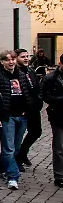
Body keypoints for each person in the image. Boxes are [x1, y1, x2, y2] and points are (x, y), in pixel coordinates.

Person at [0, 50, 34, 190]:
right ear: (1, 61)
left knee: (16, 147)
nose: (11, 62)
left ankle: (1, 167)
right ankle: (13, 176)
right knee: (9, 148)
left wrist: (28, 109)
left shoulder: (22, 75)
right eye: (7, 60)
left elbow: (28, 93)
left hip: (22, 115)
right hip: (7, 117)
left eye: (13, 59)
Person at [15, 48, 44, 169]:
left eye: (27, 56)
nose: (26, 58)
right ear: (16, 58)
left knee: (36, 132)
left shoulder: (30, 71)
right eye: (23, 56)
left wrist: (39, 101)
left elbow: (37, 87)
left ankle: (22, 154)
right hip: (22, 108)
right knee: (17, 136)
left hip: (33, 108)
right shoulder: (16, 72)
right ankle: (16, 159)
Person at [41, 54, 63, 187]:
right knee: (59, 147)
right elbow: (45, 96)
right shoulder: (50, 78)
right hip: (58, 115)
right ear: (60, 64)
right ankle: (59, 175)